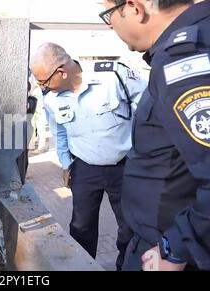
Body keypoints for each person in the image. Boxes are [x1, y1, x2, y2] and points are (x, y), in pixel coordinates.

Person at [100, 0, 210, 270]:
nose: (110, 24)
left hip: (169, 253)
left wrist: (178, 247)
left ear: (135, 7)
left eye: (108, 13)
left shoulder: (186, 57)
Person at [30, 43, 147, 270]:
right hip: (84, 168)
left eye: (43, 81)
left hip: (125, 166)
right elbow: (59, 132)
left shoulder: (114, 76)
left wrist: (145, 158)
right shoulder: (52, 98)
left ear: (61, 72)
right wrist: (66, 164)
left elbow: (147, 111)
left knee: (129, 227)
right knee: (81, 227)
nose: (40, 86)